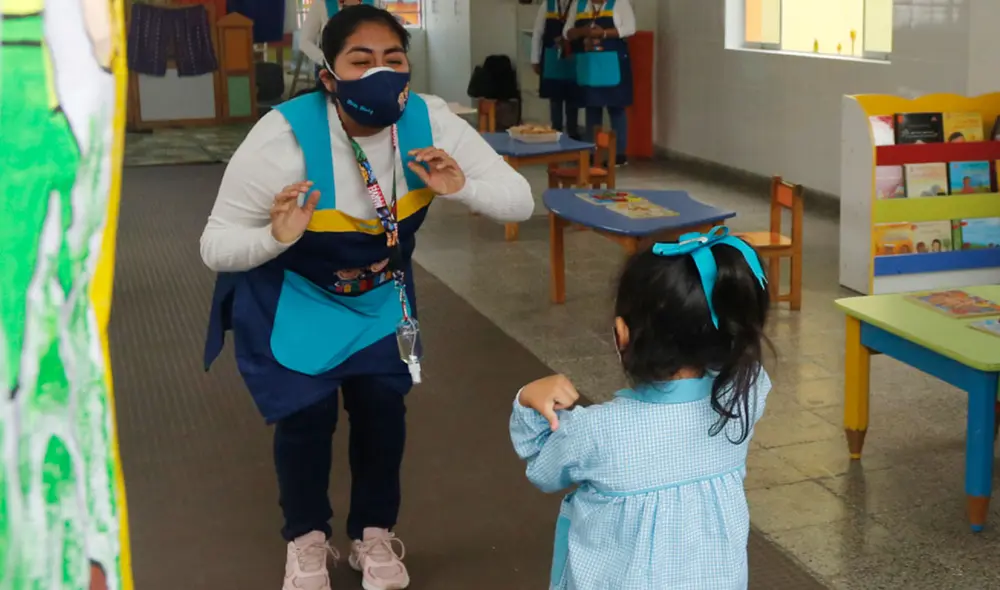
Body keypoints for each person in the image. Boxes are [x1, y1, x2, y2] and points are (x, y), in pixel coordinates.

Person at [200, 6, 533, 590]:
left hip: (380, 299)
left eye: (394, 59)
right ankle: (305, 541)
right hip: (295, 298)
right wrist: (274, 236)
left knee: (383, 412)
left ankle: (373, 535)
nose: (381, 72)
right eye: (361, 60)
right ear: (328, 75)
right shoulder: (282, 138)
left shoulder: (431, 123)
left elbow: (519, 201)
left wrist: (464, 188)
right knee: (306, 419)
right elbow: (215, 246)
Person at [510, 226, 772, 589]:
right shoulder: (743, 398)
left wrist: (527, 397)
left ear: (622, 335)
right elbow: (746, 362)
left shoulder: (595, 431)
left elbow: (543, 467)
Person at [563, 0, 635, 167]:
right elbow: (567, 31)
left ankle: (618, 154)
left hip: (613, 62)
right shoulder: (579, 5)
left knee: (616, 107)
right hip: (590, 63)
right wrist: (584, 32)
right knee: (592, 107)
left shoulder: (620, 3)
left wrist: (603, 34)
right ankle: (590, 151)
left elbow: (630, 29)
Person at [299, 0, 386, 88]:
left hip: (369, 68)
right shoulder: (322, 4)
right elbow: (305, 41)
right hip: (331, 72)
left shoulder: (374, 4)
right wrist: (326, 61)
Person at [530, 0, 579, 139]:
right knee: (555, 99)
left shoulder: (578, 4)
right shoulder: (547, 5)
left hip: (572, 58)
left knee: (572, 99)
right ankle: (556, 132)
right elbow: (538, 33)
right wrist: (535, 59)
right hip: (552, 58)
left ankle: (572, 134)